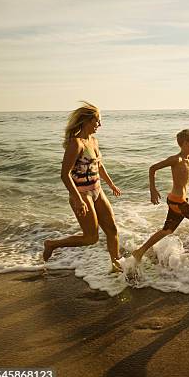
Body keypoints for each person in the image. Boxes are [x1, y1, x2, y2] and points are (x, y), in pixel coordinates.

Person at [43, 102, 122, 272]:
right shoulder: (76, 144)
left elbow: (99, 166)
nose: (99, 125)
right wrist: (78, 200)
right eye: (97, 121)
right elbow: (65, 175)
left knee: (113, 230)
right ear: (86, 121)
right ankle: (52, 244)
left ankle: (117, 267)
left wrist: (111, 184)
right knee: (91, 238)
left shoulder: (93, 141)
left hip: (97, 190)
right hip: (81, 194)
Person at [131, 129, 189, 269]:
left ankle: (139, 251)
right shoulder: (176, 159)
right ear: (185, 143)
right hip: (178, 201)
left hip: (178, 200)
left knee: (167, 230)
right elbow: (152, 168)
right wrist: (153, 190)